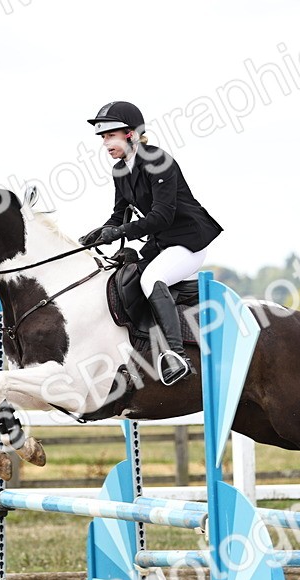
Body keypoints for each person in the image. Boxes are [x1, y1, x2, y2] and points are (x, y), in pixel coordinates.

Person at [79, 101, 223, 385]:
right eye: (103, 138)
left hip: (188, 240)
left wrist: (120, 232)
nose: (105, 144)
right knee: (121, 276)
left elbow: (161, 216)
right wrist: (101, 232)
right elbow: (118, 214)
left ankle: (176, 355)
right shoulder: (120, 170)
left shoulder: (158, 161)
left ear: (131, 134)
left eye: (110, 136)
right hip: (161, 243)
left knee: (152, 278)